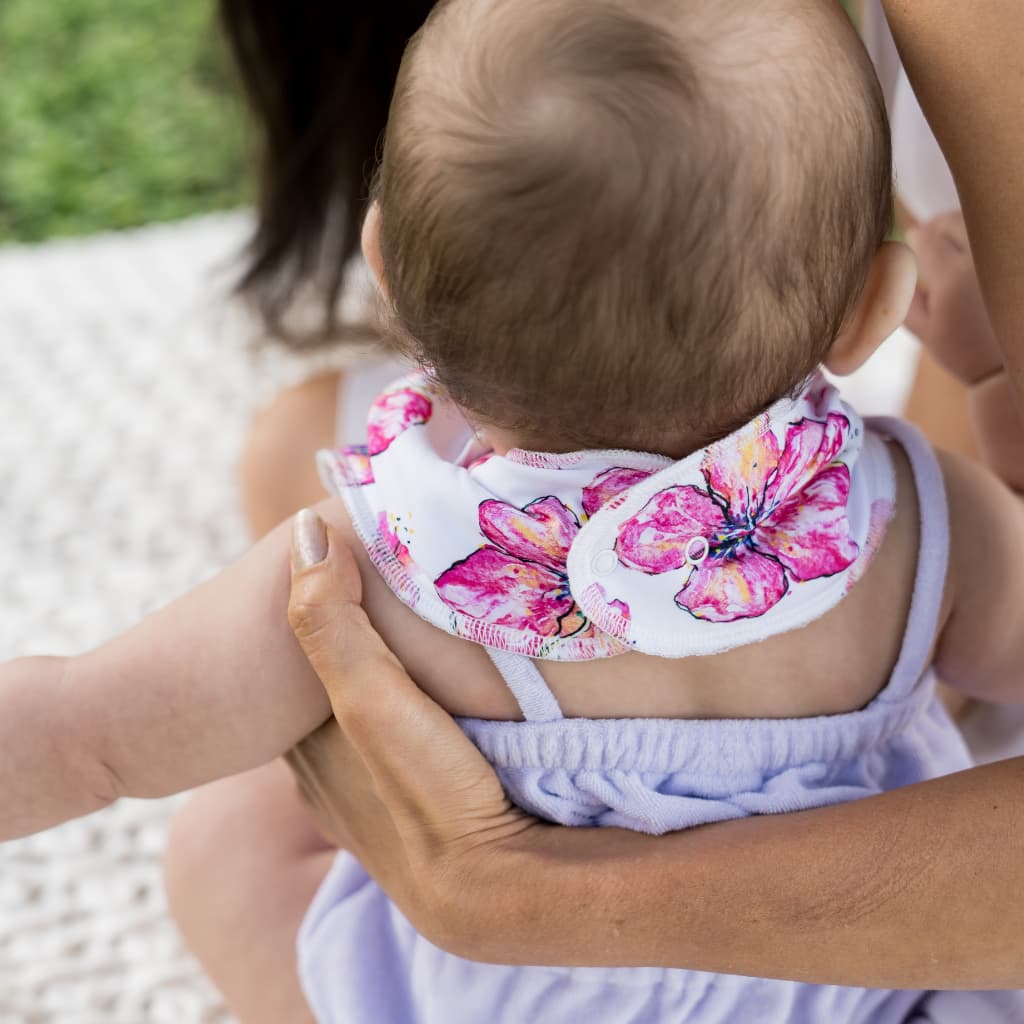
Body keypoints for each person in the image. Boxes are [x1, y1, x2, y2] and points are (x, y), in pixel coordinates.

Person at [2, 0, 1021, 1021]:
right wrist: (991, 395)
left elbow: (84, 733)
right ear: (872, 310)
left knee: (233, 829)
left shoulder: (377, 564)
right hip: (859, 990)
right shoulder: (927, 520)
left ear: (384, 266)